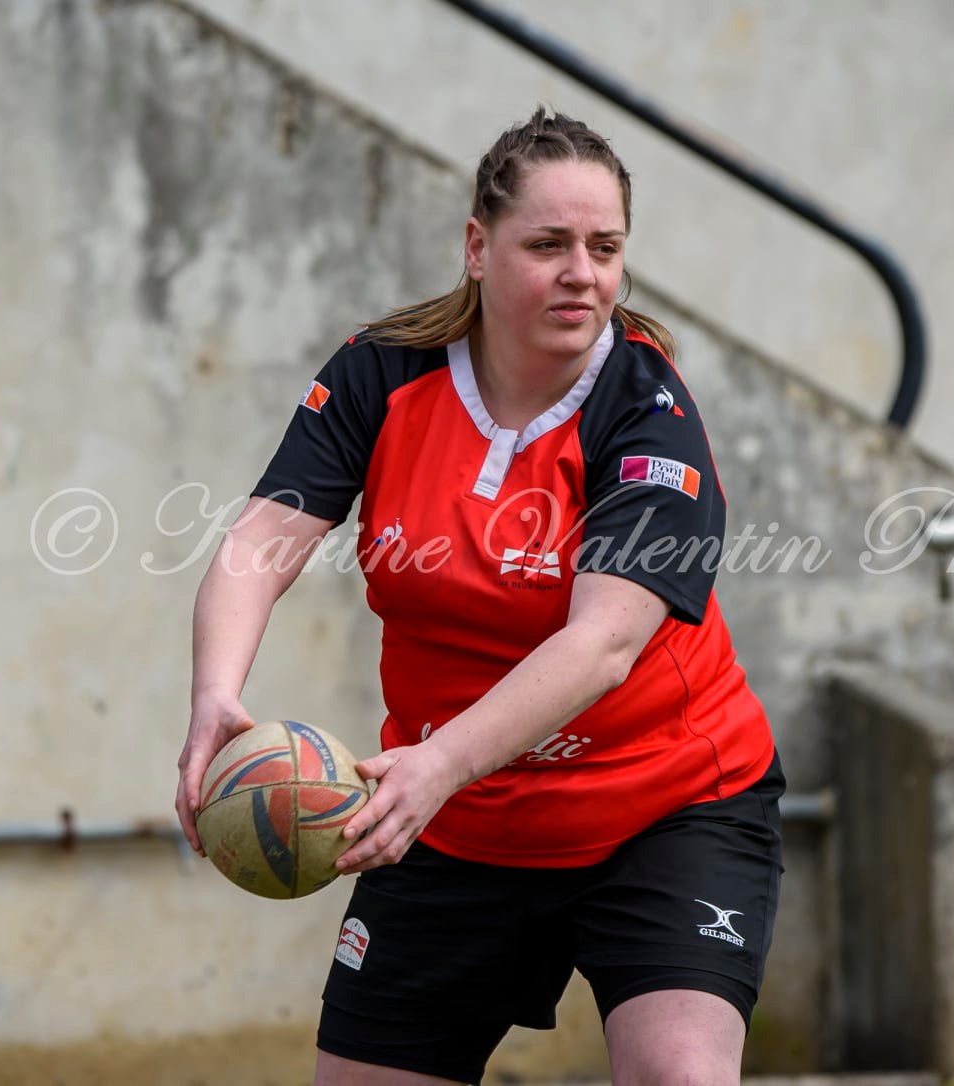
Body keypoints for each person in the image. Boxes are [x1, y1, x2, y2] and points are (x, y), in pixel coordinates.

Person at [175, 107, 784, 1086]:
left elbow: (601, 646)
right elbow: (261, 539)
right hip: (452, 822)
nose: (580, 271)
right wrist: (214, 695)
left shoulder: (647, 412)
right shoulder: (385, 374)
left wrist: (438, 763)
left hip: (662, 810)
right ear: (476, 246)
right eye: (547, 244)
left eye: (604, 246)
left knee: (678, 1075)